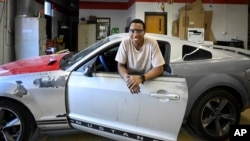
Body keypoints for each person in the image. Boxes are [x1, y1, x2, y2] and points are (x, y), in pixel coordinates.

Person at [115, 19, 165, 94]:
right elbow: (120, 65)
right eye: (132, 31)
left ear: (144, 32)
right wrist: (129, 80)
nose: (135, 34)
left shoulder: (152, 43)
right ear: (128, 32)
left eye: (139, 31)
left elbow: (159, 69)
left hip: (149, 82)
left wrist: (140, 79)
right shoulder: (125, 43)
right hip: (132, 81)